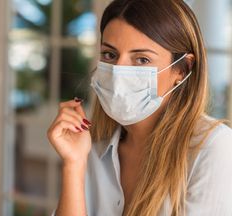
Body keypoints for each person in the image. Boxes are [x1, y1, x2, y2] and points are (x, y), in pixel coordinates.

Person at [47, 0, 232, 215]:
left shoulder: (213, 148)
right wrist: (73, 164)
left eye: (142, 59)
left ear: (182, 69)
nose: (118, 72)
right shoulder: (90, 150)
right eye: (110, 54)